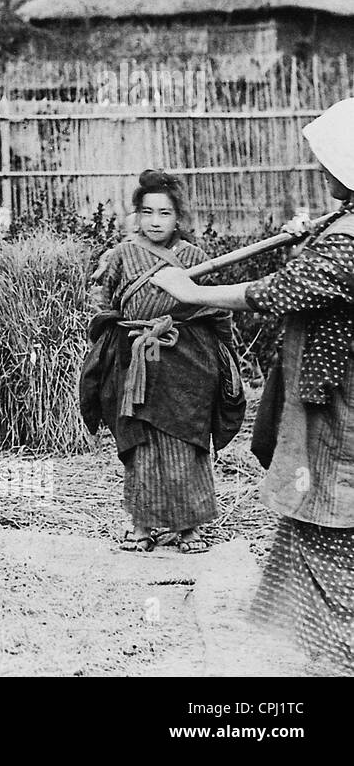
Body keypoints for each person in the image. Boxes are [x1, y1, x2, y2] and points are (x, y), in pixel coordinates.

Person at [149, 97, 354, 670]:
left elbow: (272, 293)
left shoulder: (347, 244)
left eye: (328, 164)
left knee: (331, 518)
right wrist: (303, 240)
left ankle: (340, 655)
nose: (321, 172)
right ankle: (326, 650)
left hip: (342, 402)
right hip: (328, 390)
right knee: (314, 519)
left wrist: (192, 293)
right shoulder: (341, 226)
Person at [79, 170, 246, 555]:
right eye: (147, 212)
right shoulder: (120, 255)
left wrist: (225, 360)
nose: (155, 221)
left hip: (187, 359)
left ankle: (189, 529)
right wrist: (113, 337)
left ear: (178, 218)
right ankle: (142, 526)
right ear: (136, 214)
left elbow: (217, 309)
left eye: (165, 213)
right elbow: (103, 303)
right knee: (140, 443)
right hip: (135, 359)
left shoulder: (194, 257)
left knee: (187, 440)